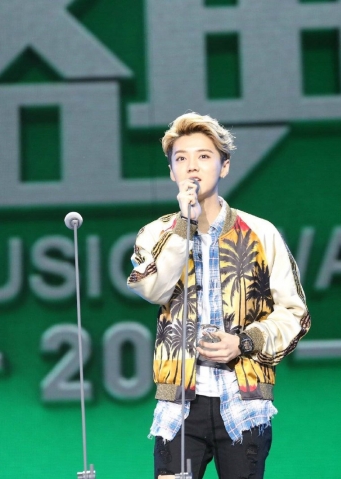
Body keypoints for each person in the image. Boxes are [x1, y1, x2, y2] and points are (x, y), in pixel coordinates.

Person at [127, 112, 310, 479]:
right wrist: (184, 225)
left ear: (224, 166)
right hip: (180, 402)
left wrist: (243, 342)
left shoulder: (261, 233)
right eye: (181, 158)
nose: (192, 166)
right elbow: (153, 288)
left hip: (242, 399)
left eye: (204, 156)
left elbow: (295, 313)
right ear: (171, 172)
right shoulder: (156, 234)